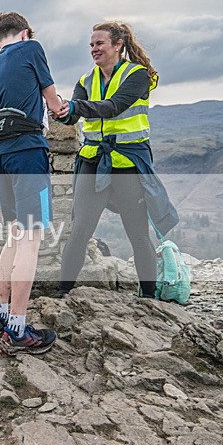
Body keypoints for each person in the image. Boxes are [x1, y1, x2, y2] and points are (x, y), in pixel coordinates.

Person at [54, 22, 178, 298]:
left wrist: (76, 107)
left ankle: (147, 296)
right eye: (91, 45)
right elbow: (75, 114)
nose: (94, 49)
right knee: (80, 229)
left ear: (118, 44)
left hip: (128, 163)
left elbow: (113, 107)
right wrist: (62, 111)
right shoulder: (86, 80)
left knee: (137, 232)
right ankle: (63, 292)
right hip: (93, 160)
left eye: (99, 43)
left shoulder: (137, 75)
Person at [0, 12, 60, 355]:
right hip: (27, 153)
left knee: (13, 235)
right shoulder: (31, 48)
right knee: (31, 239)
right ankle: (17, 327)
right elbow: (54, 103)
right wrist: (66, 109)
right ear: (25, 32)